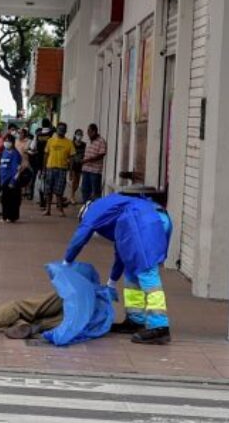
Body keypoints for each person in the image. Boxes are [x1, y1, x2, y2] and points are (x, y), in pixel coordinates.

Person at [63, 194, 173, 344]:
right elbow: (121, 253)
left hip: (144, 221)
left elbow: (82, 234)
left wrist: (66, 262)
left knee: (147, 271)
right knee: (132, 271)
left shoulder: (93, 210)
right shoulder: (114, 210)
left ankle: (159, 327)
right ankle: (135, 319)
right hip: (154, 218)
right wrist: (111, 282)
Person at [43, 122, 75, 217]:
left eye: (63, 129)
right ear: (56, 130)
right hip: (50, 168)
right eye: (60, 128)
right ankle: (47, 209)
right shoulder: (50, 141)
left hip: (62, 169)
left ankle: (60, 210)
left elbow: (72, 158)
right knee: (48, 191)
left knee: (59, 191)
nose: (61, 130)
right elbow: (46, 154)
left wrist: (71, 171)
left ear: (66, 131)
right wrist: (44, 168)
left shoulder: (69, 142)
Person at [28, 118, 52, 206]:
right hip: (50, 160)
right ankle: (46, 199)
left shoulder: (38, 133)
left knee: (40, 179)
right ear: (49, 124)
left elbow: (32, 147)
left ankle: (40, 198)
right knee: (48, 180)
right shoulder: (52, 134)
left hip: (39, 160)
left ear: (42, 124)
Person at [81, 123, 107, 202]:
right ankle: (86, 205)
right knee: (85, 189)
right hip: (86, 169)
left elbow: (101, 155)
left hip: (95, 171)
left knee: (95, 191)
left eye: (89, 132)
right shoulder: (88, 141)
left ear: (94, 131)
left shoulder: (101, 141)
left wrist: (88, 160)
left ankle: (96, 207)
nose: (88, 134)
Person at [0, 134, 22, 223]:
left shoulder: (15, 154)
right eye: (5, 141)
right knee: (5, 199)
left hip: (10, 179)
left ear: (12, 142)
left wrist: (13, 181)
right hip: (3, 179)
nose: (6, 143)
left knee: (10, 199)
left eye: (8, 141)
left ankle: (10, 217)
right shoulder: (4, 152)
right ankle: (5, 216)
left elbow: (16, 169)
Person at [69, 129, 86, 204]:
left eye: (81, 134)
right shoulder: (72, 144)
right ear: (75, 135)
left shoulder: (84, 145)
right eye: (78, 134)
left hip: (80, 165)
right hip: (73, 164)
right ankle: (72, 196)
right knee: (74, 180)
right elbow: (70, 155)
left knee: (78, 182)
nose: (79, 136)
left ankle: (72, 195)